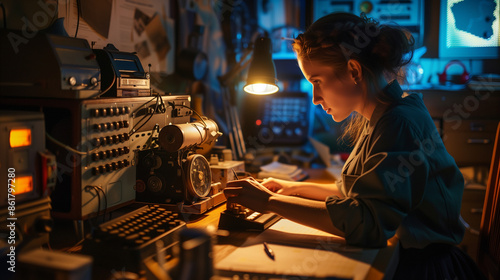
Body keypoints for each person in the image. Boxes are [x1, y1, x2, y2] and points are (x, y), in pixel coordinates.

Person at [224, 12, 486, 280]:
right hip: (408, 259)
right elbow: (355, 194)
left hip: (426, 269)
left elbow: (369, 224)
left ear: (354, 70)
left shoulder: (398, 123)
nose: (314, 98)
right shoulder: (383, 116)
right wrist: (293, 188)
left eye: (316, 81)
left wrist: (269, 202)